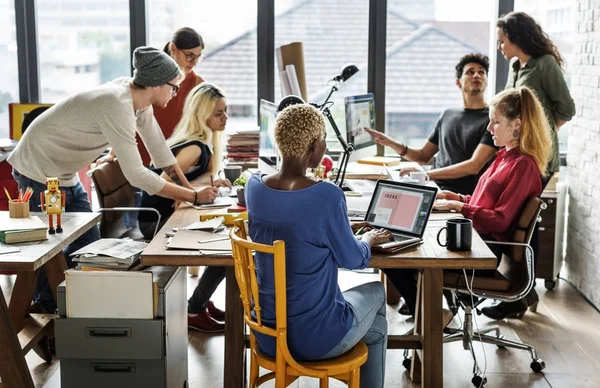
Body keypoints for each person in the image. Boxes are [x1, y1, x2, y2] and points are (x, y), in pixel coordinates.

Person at [8, 46, 218, 313]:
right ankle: (43, 311)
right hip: (36, 168)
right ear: (155, 84)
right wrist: (193, 197)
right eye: (174, 87)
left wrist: (192, 193)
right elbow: (138, 175)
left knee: (88, 245)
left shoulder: (137, 101)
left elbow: (160, 152)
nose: (176, 92)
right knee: (50, 250)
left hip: (64, 174)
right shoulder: (117, 105)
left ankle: (56, 310)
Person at [245, 104, 390, 388]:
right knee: (377, 293)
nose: (325, 146)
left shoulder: (254, 187)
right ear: (313, 146)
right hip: (314, 338)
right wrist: (368, 239)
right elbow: (353, 259)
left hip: (268, 335)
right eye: (323, 139)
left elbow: (295, 227)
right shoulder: (327, 195)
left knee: (374, 327)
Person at [384, 86, 552, 318]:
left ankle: (430, 315)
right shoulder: (504, 156)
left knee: (392, 251)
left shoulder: (523, 165)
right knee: (397, 238)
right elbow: (486, 203)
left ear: (518, 124)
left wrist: (459, 207)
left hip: (483, 254)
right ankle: (428, 311)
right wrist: (458, 198)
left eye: (496, 122)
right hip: (475, 242)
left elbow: (500, 221)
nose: (489, 128)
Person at [484, 11, 576, 319]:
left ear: (516, 38)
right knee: (517, 217)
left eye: (502, 41)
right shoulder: (515, 66)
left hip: (537, 153)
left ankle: (518, 290)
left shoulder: (545, 65)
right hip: (518, 148)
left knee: (524, 217)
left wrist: (538, 137)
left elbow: (566, 108)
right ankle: (522, 291)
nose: (500, 47)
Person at [138, 82, 231, 332]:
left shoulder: (200, 143)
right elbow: (161, 182)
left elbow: (184, 177)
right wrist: (193, 195)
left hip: (164, 216)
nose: (225, 117)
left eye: (225, 111)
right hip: (156, 222)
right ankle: (194, 308)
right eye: (218, 113)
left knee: (222, 241)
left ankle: (199, 302)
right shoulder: (194, 147)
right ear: (202, 115)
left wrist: (207, 183)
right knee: (224, 249)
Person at [365, 53, 497, 195]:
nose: (477, 75)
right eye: (470, 72)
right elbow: (422, 156)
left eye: (481, 72)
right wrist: (391, 143)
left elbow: (474, 166)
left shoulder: (492, 119)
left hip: (461, 195)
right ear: (458, 82)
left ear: (487, 81)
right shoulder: (448, 114)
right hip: (434, 186)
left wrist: (426, 175)